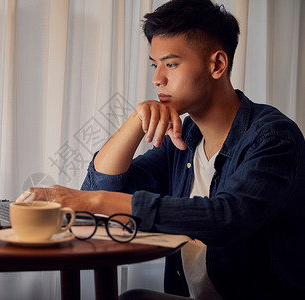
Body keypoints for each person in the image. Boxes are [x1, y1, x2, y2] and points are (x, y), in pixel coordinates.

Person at [18, 0, 305, 299]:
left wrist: (94, 201)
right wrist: (134, 120)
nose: (157, 78)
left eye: (171, 64)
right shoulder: (185, 140)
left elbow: (227, 218)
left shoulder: (273, 137)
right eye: (155, 65)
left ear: (217, 64)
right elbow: (105, 187)